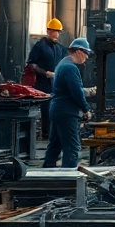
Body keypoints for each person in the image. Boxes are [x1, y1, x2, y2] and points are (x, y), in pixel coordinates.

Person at [44, 37, 92, 169]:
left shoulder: (63, 63)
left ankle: (46, 173)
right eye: (86, 53)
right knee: (71, 147)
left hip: (58, 109)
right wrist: (85, 109)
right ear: (79, 51)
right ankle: (69, 175)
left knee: (55, 145)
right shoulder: (70, 68)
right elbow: (76, 92)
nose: (87, 57)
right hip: (67, 112)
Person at [26, 18, 66, 137]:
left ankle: (54, 132)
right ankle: (46, 133)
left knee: (56, 107)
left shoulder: (58, 48)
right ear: (48, 31)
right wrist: (45, 73)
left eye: (58, 32)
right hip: (42, 82)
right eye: (55, 31)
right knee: (46, 108)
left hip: (55, 82)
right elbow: (31, 64)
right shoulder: (40, 46)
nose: (57, 34)